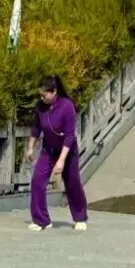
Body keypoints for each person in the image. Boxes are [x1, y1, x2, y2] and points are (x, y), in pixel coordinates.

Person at [26, 75, 88, 231]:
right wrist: (30, 147)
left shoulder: (67, 106)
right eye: (40, 95)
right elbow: (36, 128)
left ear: (54, 92)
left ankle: (80, 217)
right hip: (49, 149)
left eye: (44, 95)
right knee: (37, 180)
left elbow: (69, 136)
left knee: (72, 182)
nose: (42, 98)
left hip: (68, 150)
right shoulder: (41, 107)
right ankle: (41, 220)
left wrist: (61, 160)